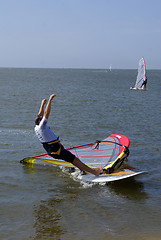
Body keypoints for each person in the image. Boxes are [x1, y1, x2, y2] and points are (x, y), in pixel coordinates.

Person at [34, 94, 102, 176]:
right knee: (75, 159)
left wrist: (42, 104)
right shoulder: (42, 126)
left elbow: (40, 114)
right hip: (56, 150)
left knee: (72, 159)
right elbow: (46, 113)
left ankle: (82, 170)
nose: (44, 118)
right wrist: (50, 100)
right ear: (40, 121)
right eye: (42, 118)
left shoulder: (36, 127)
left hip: (54, 149)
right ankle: (95, 172)